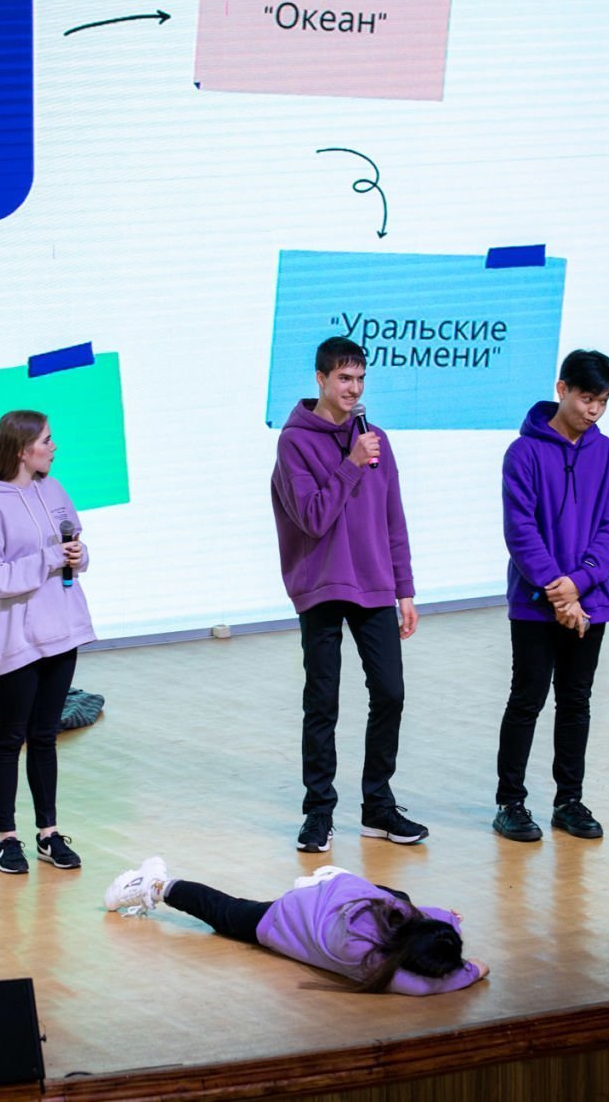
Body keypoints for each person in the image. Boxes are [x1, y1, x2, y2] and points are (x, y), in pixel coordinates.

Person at [271, 336, 425, 854]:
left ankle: (378, 807)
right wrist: (352, 463)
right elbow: (313, 517)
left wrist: (405, 589)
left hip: (375, 583)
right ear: (320, 379)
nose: (353, 389)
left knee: (390, 692)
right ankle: (319, 812)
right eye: (343, 378)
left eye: (360, 379)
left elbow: (393, 518)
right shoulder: (295, 442)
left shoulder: (376, 439)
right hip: (321, 584)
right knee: (323, 701)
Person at [492, 350, 609, 843]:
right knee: (526, 699)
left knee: (576, 701)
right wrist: (558, 591)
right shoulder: (523, 453)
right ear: (562, 389)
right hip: (534, 604)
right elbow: (520, 530)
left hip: (590, 600)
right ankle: (510, 803)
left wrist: (580, 584)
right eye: (587, 398)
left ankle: (569, 800)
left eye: (603, 401)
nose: (594, 410)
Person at [0, 410, 93, 874]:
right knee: (9, 736)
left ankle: (48, 833)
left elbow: (73, 545)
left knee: (44, 736)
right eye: (46, 440)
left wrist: (76, 555)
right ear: (22, 449)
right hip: (14, 637)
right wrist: (49, 558)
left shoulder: (53, 489)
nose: (53, 447)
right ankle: (6, 837)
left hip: (61, 629)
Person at [103, 858, 488, 995]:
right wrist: (464, 970)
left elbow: (430, 916)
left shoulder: (400, 914)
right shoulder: (379, 968)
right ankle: (155, 885)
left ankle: (326, 876)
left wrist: (450, 919)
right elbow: (463, 975)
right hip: (289, 915)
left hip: (338, 894)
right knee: (226, 913)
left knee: (398, 895)